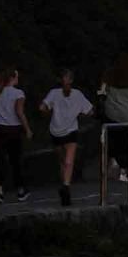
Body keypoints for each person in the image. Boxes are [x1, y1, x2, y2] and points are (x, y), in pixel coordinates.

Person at [40, 69, 94, 207]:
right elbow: (43, 106)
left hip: (71, 131)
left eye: (68, 78)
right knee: (63, 161)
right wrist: (45, 109)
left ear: (71, 80)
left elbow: (89, 110)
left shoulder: (77, 95)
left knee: (69, 161)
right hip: (56, 130)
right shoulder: (54, 93)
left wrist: (80, 114)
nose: (66, 82)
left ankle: (66, 187)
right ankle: (64, 184)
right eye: (64, 78)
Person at [0, 67, 32, 203]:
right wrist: (27, 129)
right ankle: (20, 190)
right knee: (16, 161)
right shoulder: (18, 93)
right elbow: (19, 112)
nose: (18, 79)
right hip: (13, 130)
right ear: (12, 78)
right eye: (17, 77)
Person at [99, 53, 128, 184]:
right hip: (127, 116)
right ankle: (123, 171)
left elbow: (101, 92)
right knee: (125, 143)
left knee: (111, 140)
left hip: (111, 114)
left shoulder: (108, 77)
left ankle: (112, 161)